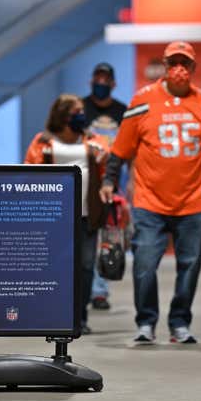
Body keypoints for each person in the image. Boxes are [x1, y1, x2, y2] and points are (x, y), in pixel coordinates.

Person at [99, 41, 201, 344]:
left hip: (195, 200)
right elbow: (121, 148)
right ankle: (146, 322)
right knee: (144, 264)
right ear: (165, 67)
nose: (179, 69)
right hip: (150, 200)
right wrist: (109, 180)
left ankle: (180, 322)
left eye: (185, 64)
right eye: (173, 63)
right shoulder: (142, 101)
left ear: (193, 68)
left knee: (190, 264)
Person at [24, 94, 109, 335]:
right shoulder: (43, 142)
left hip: (86, 215)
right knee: (54, 268)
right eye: (76, 112)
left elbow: (106, 160)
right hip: (54, 218)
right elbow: (30, 173)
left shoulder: (92, 140)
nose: (82, 115)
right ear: (63, 116)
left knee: (85, 266)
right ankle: (52, 314)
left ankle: (79, 317)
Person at [83, 62, 127, 311]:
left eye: (105, 79)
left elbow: (129, 148)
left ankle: (100, 290)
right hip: (85, 181)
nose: (100, 83)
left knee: (107, 236)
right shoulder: (81, 108)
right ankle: (82, 289)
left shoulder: (122, 111)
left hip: (113, 181)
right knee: (85, 236)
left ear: (113, 83)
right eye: (97, 78)